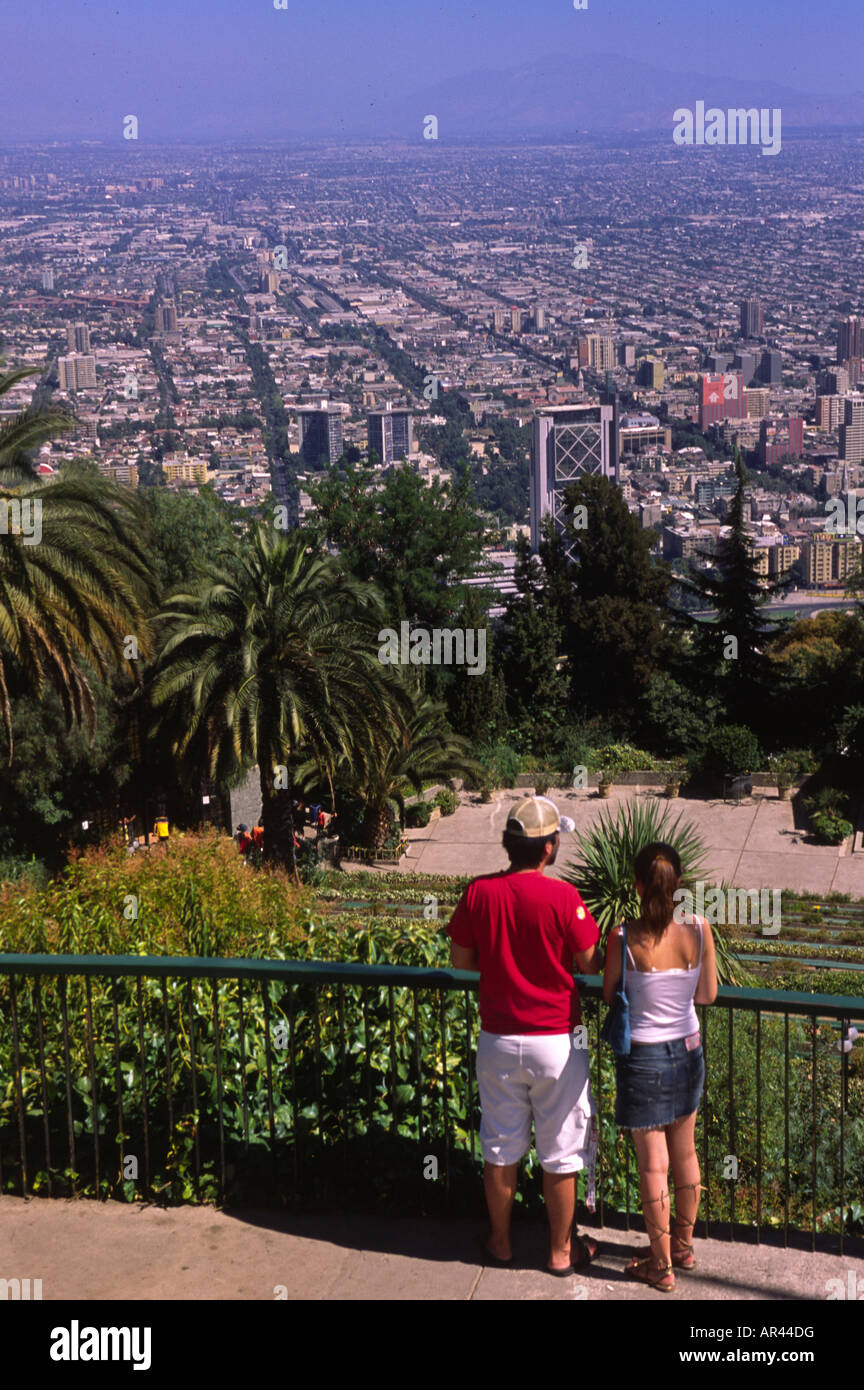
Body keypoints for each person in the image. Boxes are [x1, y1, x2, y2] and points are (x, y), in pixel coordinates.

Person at [448, 796, 603, 1276]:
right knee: (561, 1151)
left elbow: (461, 961)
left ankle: (499, 1241)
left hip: (498, 1038)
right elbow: (592, 964)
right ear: (549, 847)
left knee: (500, 1146)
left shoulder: (478, 893)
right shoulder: (564, 899)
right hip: (557, 1040)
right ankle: (561, 1251)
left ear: (510, 844)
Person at [603, 842, 718, 1293]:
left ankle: (661, 1263)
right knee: (686, 1155)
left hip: (644, 1057)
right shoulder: (699, 929)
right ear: (679, 886)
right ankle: (684, 1247)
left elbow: (610, 991)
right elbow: (707, 995)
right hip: (688, 1050)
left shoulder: (621, 937)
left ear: (637, 886)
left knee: (655, 1166)